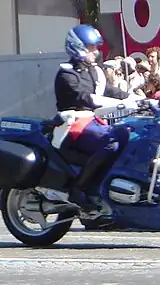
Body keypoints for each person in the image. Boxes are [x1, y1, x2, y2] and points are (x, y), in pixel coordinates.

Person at [52, 24, 133, 230]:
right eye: (91, 48)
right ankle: (80, 189)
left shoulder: (95, 72)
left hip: (93, 123)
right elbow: (85, 97)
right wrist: (118, 103)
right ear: (77, 47)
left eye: (96, 48)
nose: (95, 52)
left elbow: (111, 91)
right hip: (72, 125)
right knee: (111, 142)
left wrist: (140, 98)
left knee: (130, 136)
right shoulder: (66, 73)